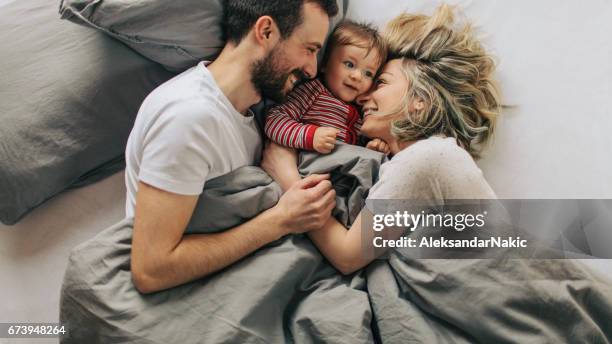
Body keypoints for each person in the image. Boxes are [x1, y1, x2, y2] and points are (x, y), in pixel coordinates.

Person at [262, 4, 502, 274]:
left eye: (381, 83)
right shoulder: (403, 160)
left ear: (419, 102)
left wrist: (286, 175)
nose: (363, 96)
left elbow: (347, 256)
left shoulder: (428, 157)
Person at [125, 0, 339, 294]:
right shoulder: (188, 118)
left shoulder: (256, 113)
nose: (313, 70)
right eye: (310, 49)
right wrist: (281, 220)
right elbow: (151, 269)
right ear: (265, 31)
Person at [264, 20, 389, 157]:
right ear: (324, 64)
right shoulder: (312, 92)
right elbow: (274, 120)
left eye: (368, 73)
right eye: (349, 64)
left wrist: (371, 148)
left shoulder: (362, 109)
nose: (358, 76)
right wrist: (311, 136)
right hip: (306, 164)